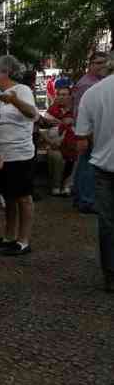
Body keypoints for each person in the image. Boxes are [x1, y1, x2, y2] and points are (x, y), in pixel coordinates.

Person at [0, 55, 39, 256]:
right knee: (9, 196)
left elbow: (33, 114)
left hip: (18, 154)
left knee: (23, 197)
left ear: (6, 72)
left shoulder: (21, 90)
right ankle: (8, 236)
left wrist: (14, 100)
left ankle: (23, 241)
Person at [75, 65, 114, 292]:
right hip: (104, 167)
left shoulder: (93, 93)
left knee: (108, 223)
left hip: (104, 166)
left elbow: (81, 137)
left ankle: (111, 275)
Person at [72, 52, 109, 213]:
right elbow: (81, 112)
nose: (102, 66)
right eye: (98, 63)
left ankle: (82, 197)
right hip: (88, 131)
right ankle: (86, 200)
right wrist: (84, 134)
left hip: (91, 130)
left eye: (104, 63)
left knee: (85, 165)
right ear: (90, 65)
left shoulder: (97, 82)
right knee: (87, 165)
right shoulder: (87, 84)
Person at [44, 86, 78, 196]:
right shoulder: (51, 111)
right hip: (53, 144)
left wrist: (72, 122)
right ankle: (56, 186)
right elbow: (43, 130)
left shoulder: (75, 112)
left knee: (77, 154)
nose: (61, 97)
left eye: (64, 95)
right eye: (59, 95)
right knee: (57, 156)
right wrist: (50, 142)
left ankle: (67, 185)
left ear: (70, 97)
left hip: (72, 145)